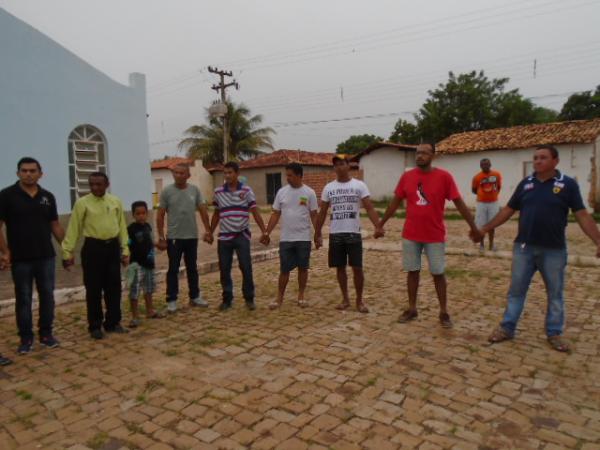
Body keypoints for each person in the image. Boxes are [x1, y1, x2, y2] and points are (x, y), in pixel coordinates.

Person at [472, 145, 600, 352]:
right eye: (535, 158)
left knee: (555, 293)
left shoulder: (567, 185)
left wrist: (598, 240)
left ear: (555, 161)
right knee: (516, 291)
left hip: (554, 250)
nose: (538, 161)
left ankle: (554, 332)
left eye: (543, 157)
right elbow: (508, 210)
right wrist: (485, 229)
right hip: (524, 248)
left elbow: (582, 215)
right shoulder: (526, 184)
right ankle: (507, 327)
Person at [376, 142, 478, 328]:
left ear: (433, 156)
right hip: (411, 234)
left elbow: (459, 203)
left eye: (424, 152)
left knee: (438, 273)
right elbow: (394, 203)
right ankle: (412, 308)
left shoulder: (444, 177)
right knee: (412, 271)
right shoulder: (407, 177)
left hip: (434, 235)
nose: (420, 156)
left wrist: (474, 227)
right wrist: (380, 224)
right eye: (418, 152)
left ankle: (444, 311)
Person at [0, 157, 64, 355]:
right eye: (24, 170)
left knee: (47, 296)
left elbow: (54, 225)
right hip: (20, 259)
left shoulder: (48, 197)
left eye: (32, 170)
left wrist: (67, 248)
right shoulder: (7, 196)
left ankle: (46, 334)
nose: (28, 174)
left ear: (40, 173)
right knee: (24, 299)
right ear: (18, 173)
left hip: (46, 256)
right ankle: (26, 338)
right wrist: (5, 252)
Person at [62, 172, 130, 339]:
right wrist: (67, 251)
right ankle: (95, 326)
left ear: (107, 184)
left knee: (113, 288)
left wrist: (125, 249)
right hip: (93, 249)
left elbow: (122, 226)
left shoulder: (115, 201)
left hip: (112, 247)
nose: (95, 187)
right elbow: (74, 228)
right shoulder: (82, 203)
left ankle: (113, 323)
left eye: (99, 184)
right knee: (93, 289)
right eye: (91, 184)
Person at [314, 155, 380, 313]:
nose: (339, 167)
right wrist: (317, 233)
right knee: (340, 268)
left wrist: (378, 226)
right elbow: (322, 212)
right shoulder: (329, 188)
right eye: (336, 165)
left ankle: (359, 301)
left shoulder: (359, 185)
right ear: (334, 168)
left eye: (342, 164)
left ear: (348, 166)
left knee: (357, 268)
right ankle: (345, 299)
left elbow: (369, 207)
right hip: (336, 233)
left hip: (353, 233)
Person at [209, 161, 267, 311]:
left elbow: (255, 211)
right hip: (224, 237)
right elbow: (216, 214)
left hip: (242, 236)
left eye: (230, 172)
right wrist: (209, 231)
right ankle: (227, 299)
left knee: (246, 267)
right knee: (224, 269)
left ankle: (249, 298)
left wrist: (264, 231)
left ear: (237, 174)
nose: (227, 176)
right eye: (225, 173)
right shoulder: (218, 192)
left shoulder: (247, 191)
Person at [156, 163, 212, 313]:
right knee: (173, 269)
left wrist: (208, 230)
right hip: (174, 237)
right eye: (176, 173)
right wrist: (161, 236)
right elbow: (160, 215)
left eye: (182, 173)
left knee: (192, 268)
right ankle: (172, 300)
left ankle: (195, 296)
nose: (179, 175)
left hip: (191, 236)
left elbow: (202, 210)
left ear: (188, 175)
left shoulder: (195, 190)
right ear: (173, 174)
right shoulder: (167, 191)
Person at [261, 162, 318, 309]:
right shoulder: (281, 192)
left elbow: (314, 215)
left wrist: (317, 235)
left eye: (290, 175)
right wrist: (267, 232)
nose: (288, 178)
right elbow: (275, 214)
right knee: (284, 270)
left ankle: (301, 297)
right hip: (286, 238)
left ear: (299, 176)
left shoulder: (309, 193)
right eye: (287, 175)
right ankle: (279, 298)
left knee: (303, 268)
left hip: (303, 238)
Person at [126, 201, 165, 328]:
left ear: (147, 214)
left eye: (143, 213)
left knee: (148, 289)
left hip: (149, 264)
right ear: (133, 215)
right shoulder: (130, 229)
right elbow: (127, 244)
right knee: (134, 291)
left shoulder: (148, 226)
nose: (141, 216)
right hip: (136, 265)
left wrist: (158, 245)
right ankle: (135, 317)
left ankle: (150, 311)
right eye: (138, 214)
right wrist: (125, 257)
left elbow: (149, 242)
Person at [472, 158, 502, 251]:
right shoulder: (477, 177)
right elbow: (474, 190)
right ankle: (481, 245)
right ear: (480, 166)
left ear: (490, 164)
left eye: (487, 164)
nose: (485, 166)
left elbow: (498, 187)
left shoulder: (496, 175)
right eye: (483, 164)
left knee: (492, 224)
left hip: (493, 203)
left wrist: (492, 195)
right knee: (481, 225)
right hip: (481, 204)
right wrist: (483, 195)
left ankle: (491, 245)